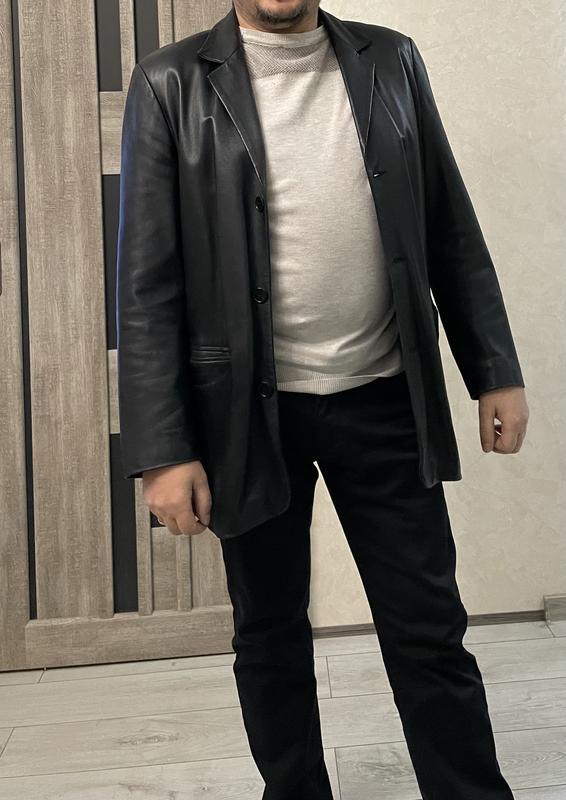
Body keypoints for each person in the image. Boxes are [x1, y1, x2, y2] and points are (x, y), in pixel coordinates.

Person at [116, 2, 529, 798]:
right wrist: (163, 448)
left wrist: (494, 368)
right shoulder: (170, 83)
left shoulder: (392, 60)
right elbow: (146, 284)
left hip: (386, 397)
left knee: (429, 630)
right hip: (246, 415)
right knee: (269, 633)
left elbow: (448, 224)